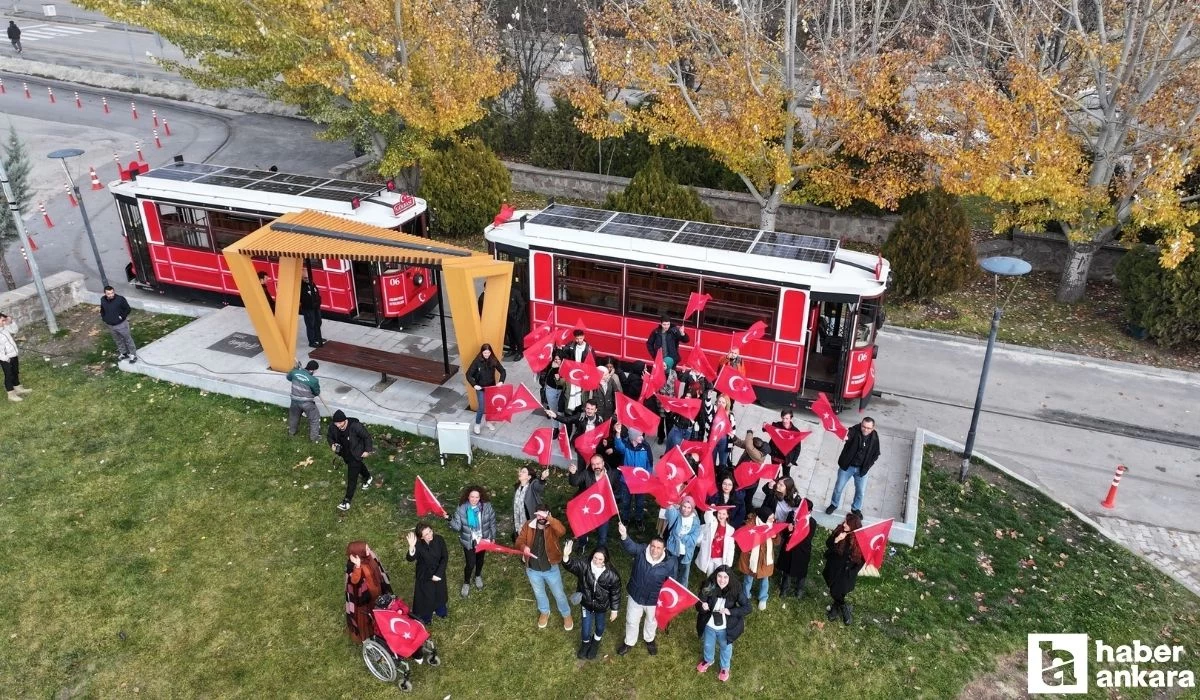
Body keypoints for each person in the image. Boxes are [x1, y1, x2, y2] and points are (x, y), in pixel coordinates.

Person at [616, 522, 676, 656]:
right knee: (631, 621)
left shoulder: (669, 563)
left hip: (654, 600)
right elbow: (631, 547)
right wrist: (625, 535)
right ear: (649, 546)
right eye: (653, 546)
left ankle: (649, 639)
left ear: (663, 550)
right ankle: (629, 642)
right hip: (636, 596)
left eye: (658, 548)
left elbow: (670, 584)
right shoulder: (641, 551)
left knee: (651, 621)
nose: (654, 550)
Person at [514, 503, 574, 631]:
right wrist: (523, 547)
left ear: (548, 514)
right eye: (539, 514)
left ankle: (566, 614)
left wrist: (549, 519)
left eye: (544, 514)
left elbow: (562, 531)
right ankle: (544, 611)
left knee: (559, 593)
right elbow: (519, 541)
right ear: (535, 515)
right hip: (532, 569)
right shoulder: (529, 525)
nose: (541, 517)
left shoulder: (552, 526)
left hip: (550, 568)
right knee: (539, 592)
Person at [561, 541, 622, 660]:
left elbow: (615, 593)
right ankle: (585, 645)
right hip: (586, 604)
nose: (597, 561)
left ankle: (595, 643)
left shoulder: (612, 575)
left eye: (600, 559)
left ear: (605, 560)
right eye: (595, 557)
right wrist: (566, 556)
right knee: (585, 630)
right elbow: (570, 565)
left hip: (601, 607)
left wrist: (614, 610)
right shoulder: (584, 565)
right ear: (592, 555)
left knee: (599, 627)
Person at [694, 565, 751, 682]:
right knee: (708, 645)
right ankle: (708, 660)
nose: (722, 580)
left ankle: (725, 667)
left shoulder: (736, 590)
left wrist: (731, 611)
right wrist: (702, 606)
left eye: (725, 577)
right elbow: (698, 604)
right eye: (719, 576)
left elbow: (748, 608)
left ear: (730, 578)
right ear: (715, 576)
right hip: (709, 625)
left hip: (726, 627)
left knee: (725, 647)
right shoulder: (709, 586)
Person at [447, 485, 497, 598]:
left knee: (480, 560)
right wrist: (450, 519)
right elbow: (457, 527)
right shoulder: (462, 509)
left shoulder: (487, 507)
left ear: (480, 497)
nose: (474, 499)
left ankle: (478, 575)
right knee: (470, 563)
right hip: (469, 541)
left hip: (483, 539)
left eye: (477, 497)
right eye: (472, 497)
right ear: (468, 497)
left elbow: (492, 522)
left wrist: (493, 536)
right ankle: (466, 582)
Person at [825, 417, 881, 518]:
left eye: (868, 428)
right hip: (847, 467)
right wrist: (844, 436)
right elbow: (848, 435)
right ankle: (834, 504)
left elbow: (876, 453)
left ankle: (856, 509)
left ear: (873, 428)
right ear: (861, 424)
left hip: (862, 469)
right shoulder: (854, 430)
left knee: (860, 491)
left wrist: (868, 465)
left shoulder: (874, 437)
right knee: (838, 488)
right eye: (863, 426)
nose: (865, 429)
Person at [566, 453, 621, 550]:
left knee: (602, 534)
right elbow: (574, 482)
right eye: (593, 464)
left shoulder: (613, 474)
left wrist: (612, 500)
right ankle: (582, 543)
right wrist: (573, 473)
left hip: (603, 508)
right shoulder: (587, 473)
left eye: (598, 464)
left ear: (603, 463)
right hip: (588, 507)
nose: (596, 467)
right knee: (583, 528)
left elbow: (617, 491)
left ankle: (600, 551)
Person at [345, 541, 394, 642]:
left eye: (368, 548)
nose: (369, 550)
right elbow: (354, 581)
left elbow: (379, 569)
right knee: (368, 616)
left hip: (377, 590)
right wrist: (358, 566)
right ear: (358, 553)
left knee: (379, 611)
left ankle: (381, 628)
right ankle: (370, 635)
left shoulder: (369, 558)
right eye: (366, 549)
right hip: (366, 597)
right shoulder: (353, 566)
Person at [823, 511, 866, 625]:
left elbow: (863, 559)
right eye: (845, 521)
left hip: (846, 572)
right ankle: (843, 606)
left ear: (853, 526)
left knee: (838, 591)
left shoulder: (859, 540)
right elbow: (828, 543)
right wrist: (836, 540)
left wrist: (853, 572)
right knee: (833, 589)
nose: (844, 524)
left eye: (847, 523)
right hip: (834, 566)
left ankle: (837, 607)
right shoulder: (839, 530)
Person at [327, 409, 374, 512]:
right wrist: (332, 445)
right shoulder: (333, 426)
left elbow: (367, 437)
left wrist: (367, 450)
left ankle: (347, 501)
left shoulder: (355, 426)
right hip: (345, 453)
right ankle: (368, 477)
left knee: (352, 477)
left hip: (356, 452)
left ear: (345, 420)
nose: (338, 425)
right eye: (336, 423)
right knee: (358, 466)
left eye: (340, 423)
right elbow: (329, 437)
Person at [405, 522, 449, 624]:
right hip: (424, 575)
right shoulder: (419, 544)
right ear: (421, 537)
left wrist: (438, 574)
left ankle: (440, 610)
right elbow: (410, 558)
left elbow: (444, 557)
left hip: (438, 573)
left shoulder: (439, 539)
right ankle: (426, 617)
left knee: (440, 593)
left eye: (430, 531)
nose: (430, 535)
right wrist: (411, 547)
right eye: (426, 535)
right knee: (426, 597)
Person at [612, 424, 654, 528]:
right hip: (626, 481)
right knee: (626, 502)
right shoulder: (625, 445)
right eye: (640, 436)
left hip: (640, 482)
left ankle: (639, 519)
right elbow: (618, 446)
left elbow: (650, 463)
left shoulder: (646, 446)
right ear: (633, 437)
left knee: (640, 503)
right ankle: (625, 519)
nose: (642, 437)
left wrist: (648, 476)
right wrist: (617, 432)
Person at [776, 497, 817, 598]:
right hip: (790, 549)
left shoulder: (811, 522)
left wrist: (797, 531)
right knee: (787, 570)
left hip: (802, 550)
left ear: (809, 511)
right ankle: (784, 589)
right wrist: (789, 530)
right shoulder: (792, 515)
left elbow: (807, 539)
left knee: (801, 571)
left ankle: (799, 589)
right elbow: (785, 533)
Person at [736, 507, 776, 610]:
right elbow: (744, 539)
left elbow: (777, 541)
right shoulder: (751, 525)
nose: (773, 520)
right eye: (771, 518)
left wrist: (775, 537)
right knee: (748, 578)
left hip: (765, 559)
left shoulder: (771, 526)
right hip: (750, 558)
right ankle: (745, 596)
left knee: (765, 578)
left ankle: (763, 598)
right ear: (763, 518)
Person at [466, 343, 506, 435]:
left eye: (488, 353)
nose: (487, 355)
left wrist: (501, 381)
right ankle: (477, 424)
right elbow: (468, 374)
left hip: (491, 387)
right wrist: (474, 385)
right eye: (485, 353)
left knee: (491, 406)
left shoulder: (493, 360)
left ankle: (488, 422)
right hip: (481, 388)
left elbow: (503, 371)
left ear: (490, 352)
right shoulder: (477, 361)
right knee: (481, 407)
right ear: (482, 353)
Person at [663, 497, 702, 588]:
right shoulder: (676, 515)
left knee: (684, 575)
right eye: (684, 506)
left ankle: (682, 591)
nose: (686, 509)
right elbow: (669, 513)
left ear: (692, 509)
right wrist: (669, 505)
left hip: (686, 552)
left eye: (689, 507)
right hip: (673, 549)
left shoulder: (695, 521)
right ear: (681, 506)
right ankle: (669, 589)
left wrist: (683, 537)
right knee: (672, 571)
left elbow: (693, 539)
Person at [286, 360, 322, 443]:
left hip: (294, 401)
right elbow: (316, 392)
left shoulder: (294, 373)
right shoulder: (313, 380)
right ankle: (314, 438)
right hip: (307, 403)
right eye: (315, 370)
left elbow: (288, 377)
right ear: (312, 370)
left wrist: (295, 368)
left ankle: (292, 432)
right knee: (314, 419)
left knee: (294, 417)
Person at [695, 506, 736, 577]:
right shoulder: (713, 523)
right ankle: (709, 587)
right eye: (719, 513)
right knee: (710, 575)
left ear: (727, 515)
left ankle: (716, 588)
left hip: (720, 558)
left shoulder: (731, 530)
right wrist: (711, 509)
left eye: (724, 514)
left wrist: (728, 563)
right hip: (710, 556)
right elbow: (708, 517)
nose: (721, 516)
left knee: (719, 576)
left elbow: (731, 548)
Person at [100, 286, 138, 363]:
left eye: (112, 293)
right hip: (110, 325)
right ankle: (123, 353)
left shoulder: (120, 299)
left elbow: (128, 309)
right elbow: (102, 309)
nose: (111, 295)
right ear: (105, 293)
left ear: (114, 292)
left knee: (127, 339)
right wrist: (104, 317)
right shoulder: (103, 299)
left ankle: (133, 355)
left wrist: (121, 316)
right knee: (117, 339)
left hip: (121, 324)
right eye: (108, 294)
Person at [512, 465, 549, 541]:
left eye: (523, 472)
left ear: (529, 477)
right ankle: (520, 536)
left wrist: (542, 478)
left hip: (530, 517)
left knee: (531, 535)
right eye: (521, 471)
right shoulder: (517, 488)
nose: (520, 473)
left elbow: (538, 487)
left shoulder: (532, 486)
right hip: (518, 518)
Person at [0, 313, 31, 402]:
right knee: (8, 375)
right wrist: (5, 358)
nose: (4, 322)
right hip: (5, 358)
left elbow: (14, 330)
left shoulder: (4, 327)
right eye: (2, 320)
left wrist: (11, 322)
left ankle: (18, 388)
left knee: (15, 371)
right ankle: (11, 394)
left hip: (13, 354)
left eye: (4, 320)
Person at [768, 409, 804, 479]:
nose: (784, 421)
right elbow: (766, 429)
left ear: (791, 418)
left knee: (786, 475)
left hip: (787, 457)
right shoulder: (777, 425)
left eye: (787, 418)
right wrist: (764, 426)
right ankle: (775, 487)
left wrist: (793, 461)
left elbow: (797, 448)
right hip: (776, 454)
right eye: (783, 418)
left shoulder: (795, 431)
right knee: (774, 473)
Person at [538, 352, 564, 439]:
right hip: (551, 389)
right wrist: (553, 368)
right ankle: (555, 428)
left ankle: (561, 429)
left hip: (561, 391)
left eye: (558, 359)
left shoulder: (564, 367)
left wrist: (558, 369)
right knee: (553, 410)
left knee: (560, 411)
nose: (556, 361)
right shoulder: (551, 366)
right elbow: (545, 375)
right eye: (555, 359)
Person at [299, 268, 325, 348]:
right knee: (311, 324)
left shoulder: (311, 283)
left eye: (308, 277)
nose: (307, 279)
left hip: (316, 306)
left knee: (318, 322)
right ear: (302, 278)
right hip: (308, 308)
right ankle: (312, 341)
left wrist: (318, 301)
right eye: (305, 278)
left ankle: (317, 337)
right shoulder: (301, 287)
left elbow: (316, 292)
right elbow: (302, 298)